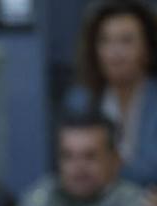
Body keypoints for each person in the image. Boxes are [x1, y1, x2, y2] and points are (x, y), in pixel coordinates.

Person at [0, 113, 152, 206]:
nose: (78, 167)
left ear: (115, 160)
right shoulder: (40, 197)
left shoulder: (137, 204)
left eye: (90, 156)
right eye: (68, 156)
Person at [65, 0, 157, 186]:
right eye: (105, 41)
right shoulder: (80, 101)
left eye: (126, 41)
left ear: (147, 48)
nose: (115, 53)